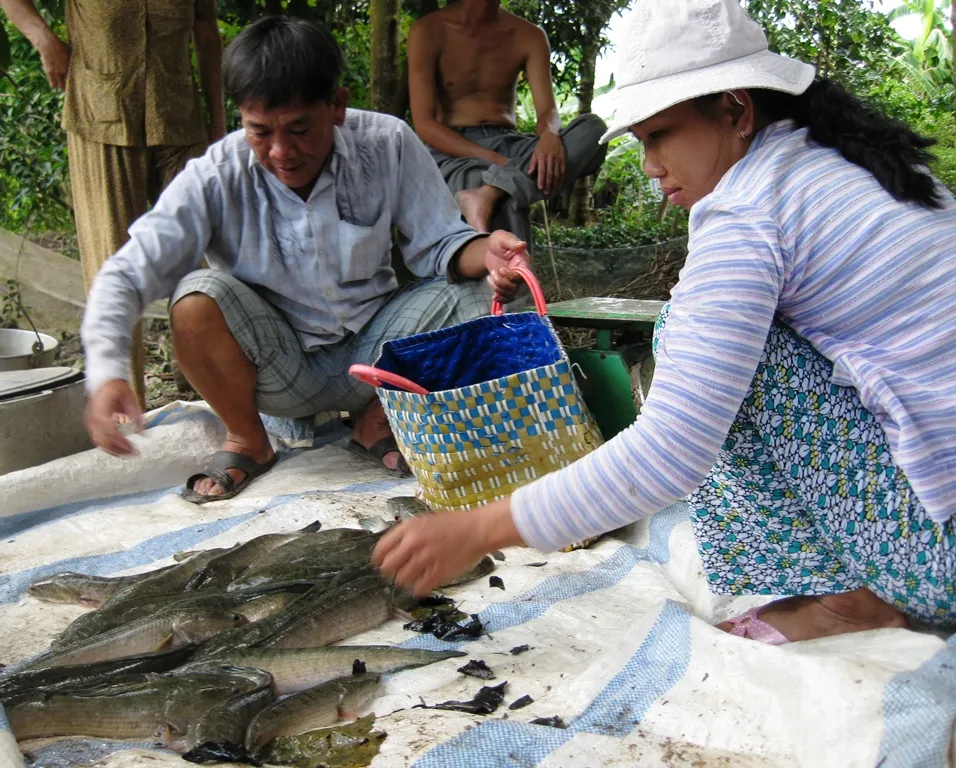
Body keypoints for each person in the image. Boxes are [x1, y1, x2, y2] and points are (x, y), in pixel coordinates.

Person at [373, 0, 956, 644]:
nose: (650, 165)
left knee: (687, 333)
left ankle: (846, 600)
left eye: (660, 135)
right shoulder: (846, 159)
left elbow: (672, 449)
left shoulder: (746, 211)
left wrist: (477, 528)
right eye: (641, 141)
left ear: (735, 109)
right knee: (716, 335)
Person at [79, 17, 528, 503]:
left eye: (299, 129)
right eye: (259, 131)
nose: (281, 152)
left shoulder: (388, 143)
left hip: (378, 357)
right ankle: (247, 438)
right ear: (241, 117)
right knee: (195, 300)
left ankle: (376, 421)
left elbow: (443, 243)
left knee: (478, 297)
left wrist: (489, 252)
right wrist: (106, 373)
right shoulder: (215, 176)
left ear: (337, 105)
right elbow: (126, 274)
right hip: (278, 368)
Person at [0, 0, 226, 408]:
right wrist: (44, 40)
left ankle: (221, 395)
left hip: (178, 112)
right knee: (111, 259)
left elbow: (207, 32)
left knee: (206, 259)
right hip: (100, 114)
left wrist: (218, 116)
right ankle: (124, 407)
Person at [408, 0, 608, 246]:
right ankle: (498, 198)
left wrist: (550, 134)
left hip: (511, 144)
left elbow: (547, 111)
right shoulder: (428, 31)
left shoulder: (529, 35)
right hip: (455, 150)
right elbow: (425, 125)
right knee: (499, 199)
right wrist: (493, 159)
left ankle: (490, 192)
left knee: (594, 130)